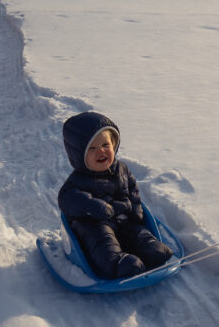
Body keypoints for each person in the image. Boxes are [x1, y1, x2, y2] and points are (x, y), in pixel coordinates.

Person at [58, 112, 173, 279]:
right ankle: (117, 264)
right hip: (95, 224)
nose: (101, 151)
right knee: (102, 241)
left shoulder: (122, 169)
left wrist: (136, 208)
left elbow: (132, 188)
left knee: (139, 233)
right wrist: (94, 206)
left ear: (114, 144)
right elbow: (67, 199)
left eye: (106, 144)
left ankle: (150, 250)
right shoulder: (77, 181)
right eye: (92, 148)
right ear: (78, 154)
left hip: (123, 220)